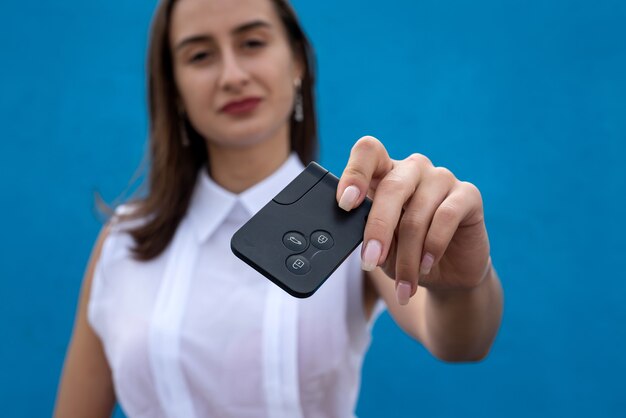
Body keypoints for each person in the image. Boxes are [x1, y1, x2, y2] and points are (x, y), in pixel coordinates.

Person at [54, 0, 504, 416]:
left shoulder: (360, 218)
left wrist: (463, 285)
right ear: (173, 88)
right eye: (200, 55)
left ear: (297, 63)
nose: (232, 75)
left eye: (252, 43)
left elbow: (457, 340)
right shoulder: (123, 244)